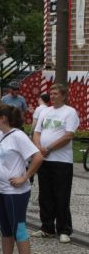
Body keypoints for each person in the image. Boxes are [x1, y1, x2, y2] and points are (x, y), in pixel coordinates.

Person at [0, 104, 44, 254]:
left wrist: (25, 177)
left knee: (18, 229)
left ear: (4, 118)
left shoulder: (18, 136)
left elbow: (38, 157)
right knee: (5, 229)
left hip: (15, 192)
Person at [31, 83, 79, 243]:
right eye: (51, 93)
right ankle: (47, 227)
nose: (52, 96)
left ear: (64, 96)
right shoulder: (46, 111)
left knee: (61, 195)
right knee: (45, 195)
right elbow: (37, 132)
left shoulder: (70, 112)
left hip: (61, 160)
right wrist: (39, 147)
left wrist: (49, 147)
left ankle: (64, 228)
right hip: (44, 159)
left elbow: (68, 135)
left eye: (56, 93)